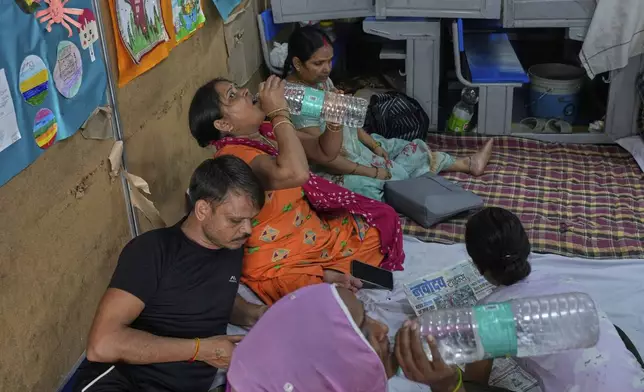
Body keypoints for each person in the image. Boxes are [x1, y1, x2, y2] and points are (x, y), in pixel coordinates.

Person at [188, 75, 405, 306]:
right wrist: (280, 113)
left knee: (382, 222)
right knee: (311, 294)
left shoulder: (265, 132)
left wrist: (334, 117)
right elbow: (296, 173)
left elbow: (324, 152)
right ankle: (325, 275)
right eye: (232, 95)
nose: (244, 92)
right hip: (279, 254)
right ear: (224, 125)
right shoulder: (235, 157)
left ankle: (329, 271)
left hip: (310, 231)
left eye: (238, 87)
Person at [73, 157, 269, 392]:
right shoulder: (152, 251)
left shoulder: (231, 244)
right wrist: (201, 350)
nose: (247, 230)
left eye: (251, 220)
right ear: (203, 209)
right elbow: (102, 344)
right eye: (236, 220)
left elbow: (212, 295)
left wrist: (254, 314)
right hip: (127, 382)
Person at [283, 25, 495, 202]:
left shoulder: (321, 81)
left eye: (329, 61)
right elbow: (325, 157)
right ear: (297, 64)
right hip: (333, 166)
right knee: (382, 181)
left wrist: (373, 145)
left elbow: (347, 119)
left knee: (403, 146)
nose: (327, 68)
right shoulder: (296, 99)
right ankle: (405, 183)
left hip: (350, 146)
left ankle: (466, 164)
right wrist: (371, 171)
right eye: (318, 63)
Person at [462, 207, 644, 391]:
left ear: (478, 266)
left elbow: (474, 381)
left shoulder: (488, 314)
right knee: (612, 332)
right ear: (526, 247)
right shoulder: (565, 281)